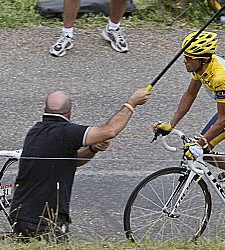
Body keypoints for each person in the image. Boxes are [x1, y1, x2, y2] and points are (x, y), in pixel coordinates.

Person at [152, 31, 225, 243]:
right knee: (202, 154)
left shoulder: (219, 78)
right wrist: (171, 124)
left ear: (202, 59)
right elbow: (190, 95)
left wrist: (200, 142)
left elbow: (222, 121)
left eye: (188, 57)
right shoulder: (201, 67)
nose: (184, 60)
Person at [9, 88, 151, 241]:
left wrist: (92, 148)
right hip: (44, 221)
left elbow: (71, 161)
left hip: (21, 215)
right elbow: (109, 131)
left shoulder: (35, 132)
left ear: (44, 110)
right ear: (70, 113)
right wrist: (131, 103)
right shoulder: (66, 132)